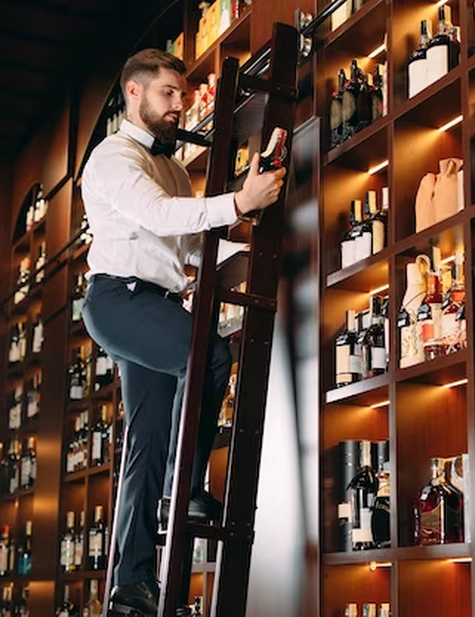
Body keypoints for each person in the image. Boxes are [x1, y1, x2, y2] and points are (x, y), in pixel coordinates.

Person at [80, 48, 285, 616]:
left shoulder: (169, 167)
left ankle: (130, 584)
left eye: (184, 93)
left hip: (157, 303)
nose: (181, 103)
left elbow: (193, 244)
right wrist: (240, 200)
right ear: (135, 93)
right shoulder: (112, 158)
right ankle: (186, 489)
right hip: (118, 301)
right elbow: (162, 217)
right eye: (169, 92)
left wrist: (266, 246)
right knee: (209, 355)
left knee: (142, 448)